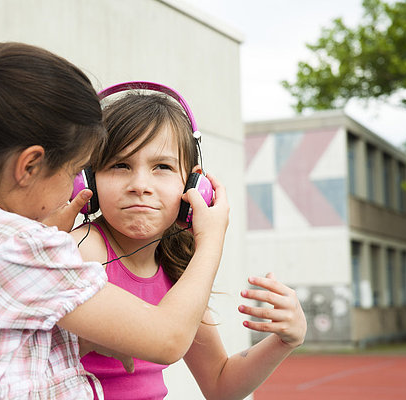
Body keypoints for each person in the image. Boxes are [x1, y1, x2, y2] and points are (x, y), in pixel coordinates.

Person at [0, 43, 229, 399]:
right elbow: (167, 340)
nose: (74, 187)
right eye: (75, 170)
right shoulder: (21, 245)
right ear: (30, 167)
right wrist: (210, 239)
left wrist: (83, 345)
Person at [70, 88, 307, 400]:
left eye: (162, 167)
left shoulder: (176, 271)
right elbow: (166, 342)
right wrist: (211, 239)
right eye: (120, 165)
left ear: (194, 185)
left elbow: (220, 384)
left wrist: (285, 340)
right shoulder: (79, 252)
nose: (140, 185)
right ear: (89, 179)